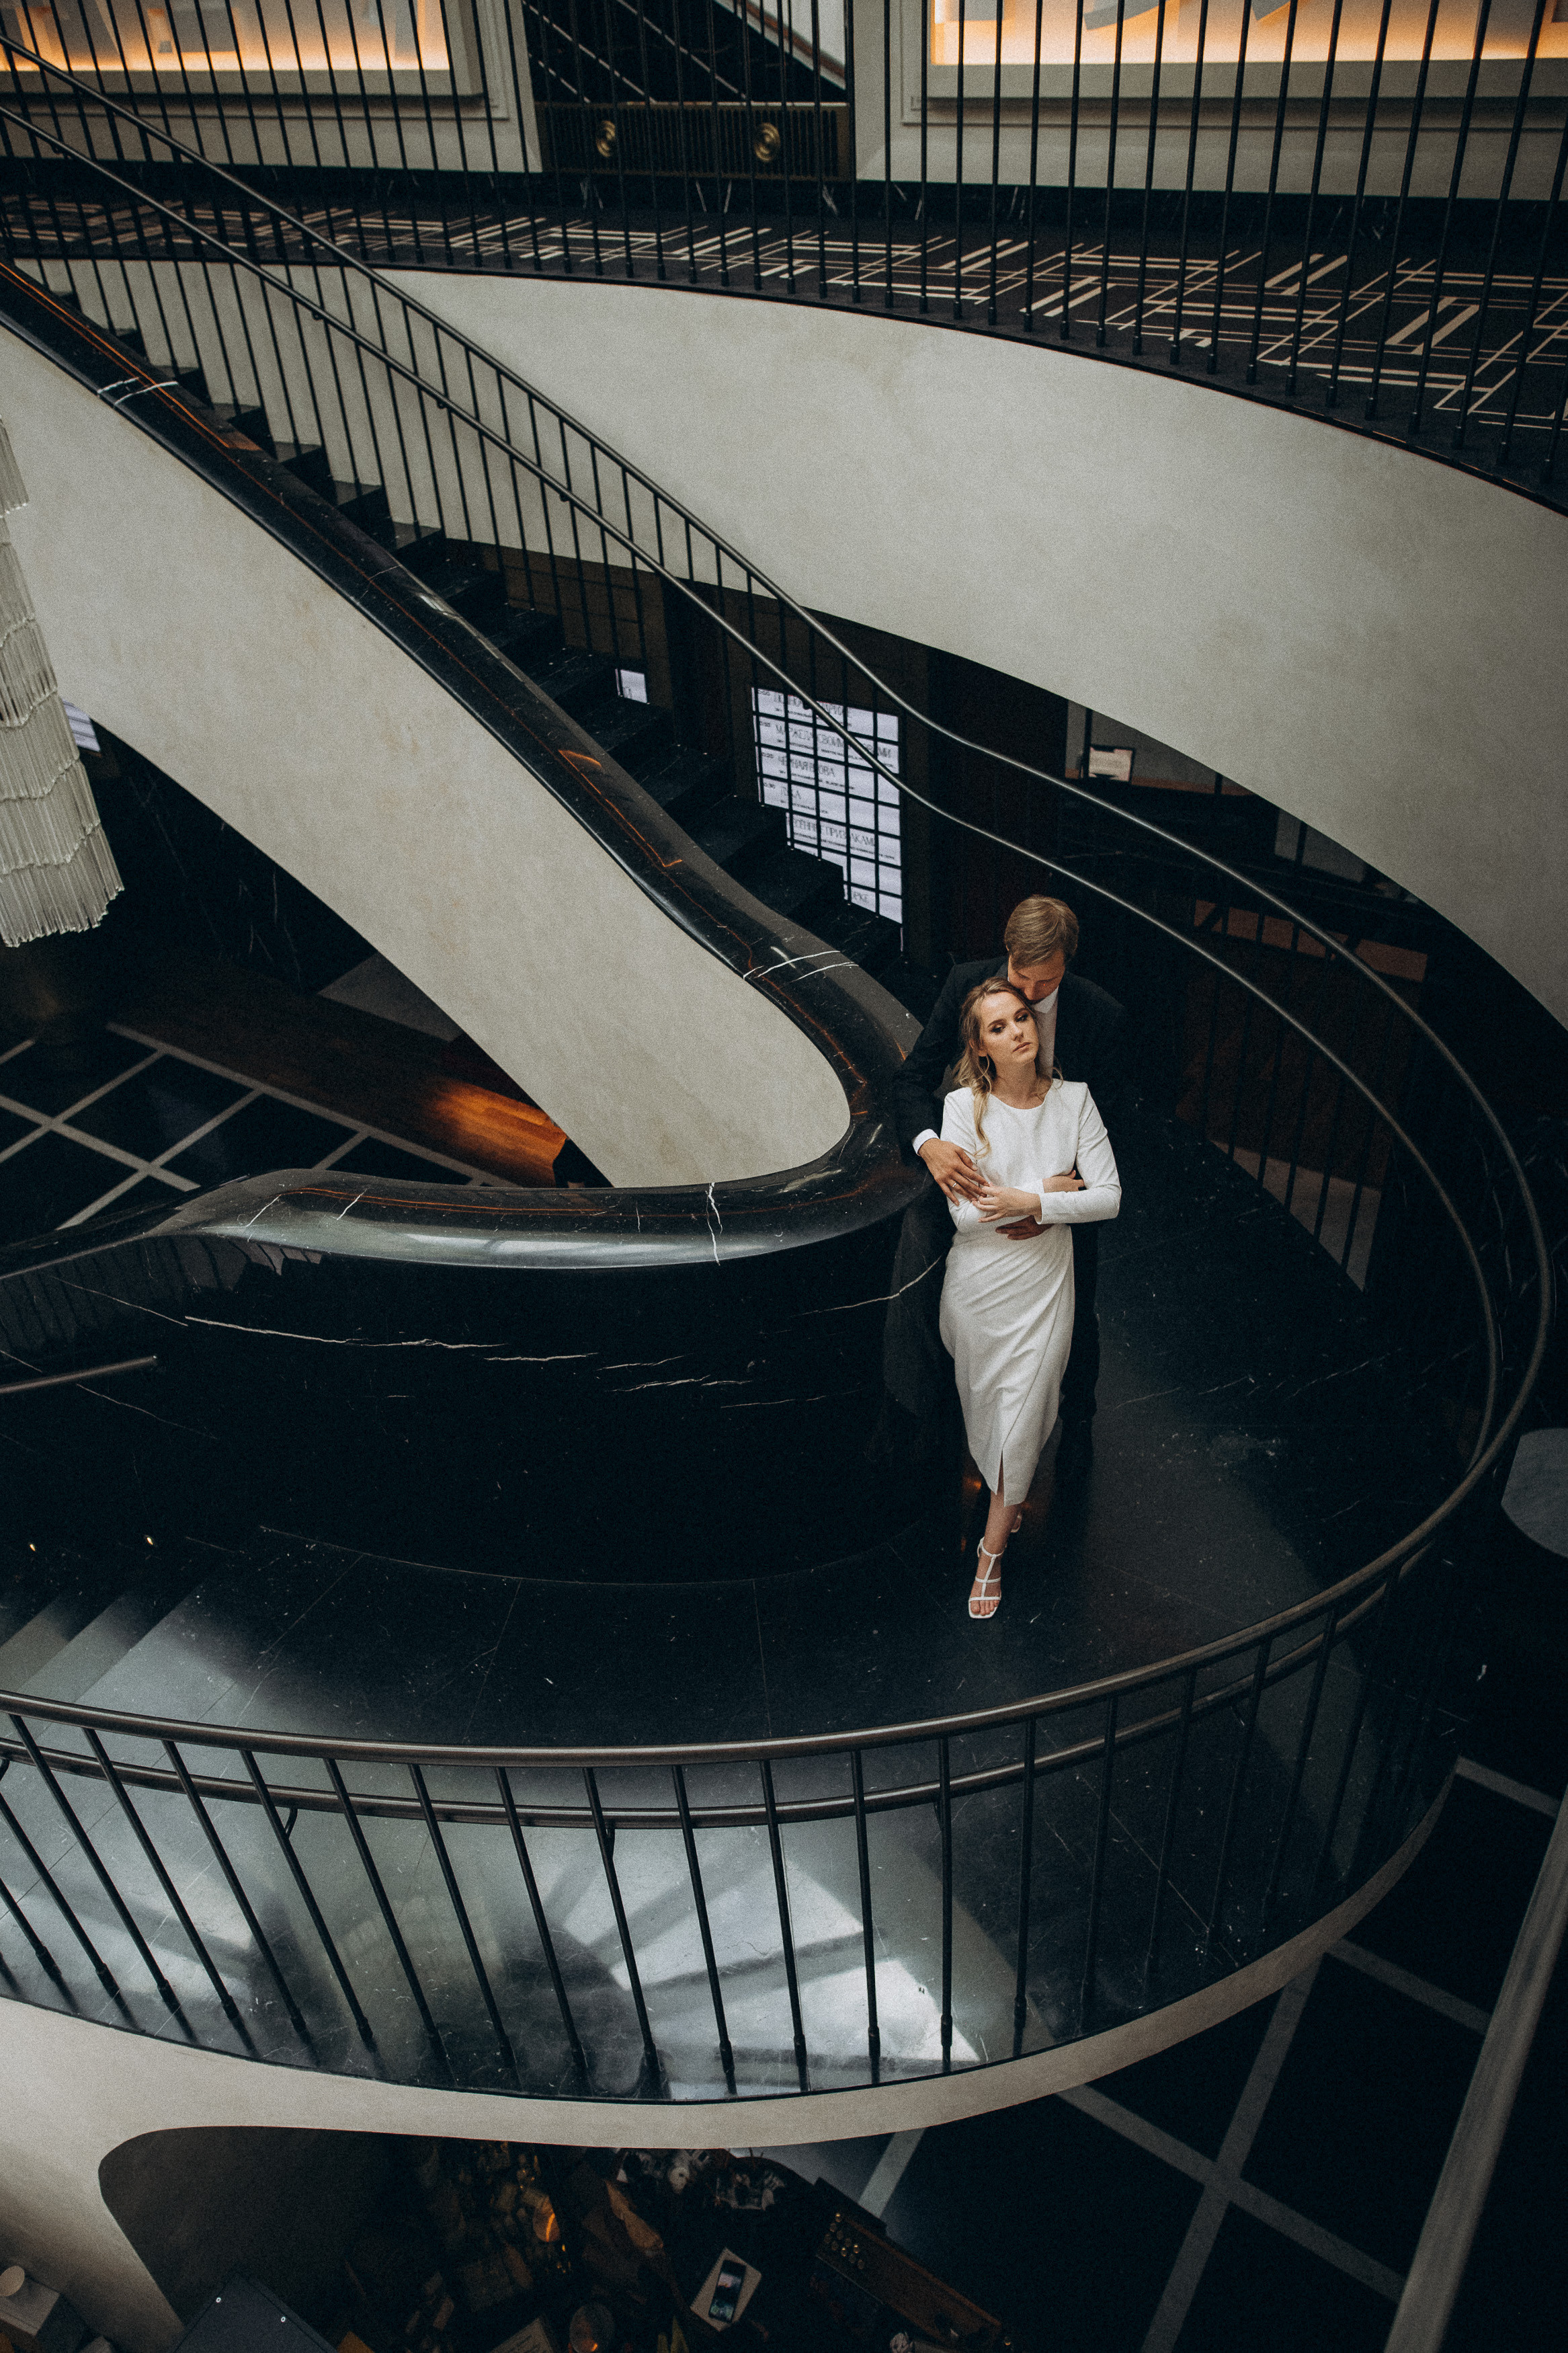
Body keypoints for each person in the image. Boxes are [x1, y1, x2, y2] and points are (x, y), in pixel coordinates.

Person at [884, 895, 1127, 1488]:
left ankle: (1078, 1419)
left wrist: (1050, 1206)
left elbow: (1111, 1128)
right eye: (1020, 975)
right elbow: (914, 1076)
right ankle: (918, 1411)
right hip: (979, 1165)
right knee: (920, 1247)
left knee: (1081, 1288)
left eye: (1045, 982)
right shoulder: (971, 982)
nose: (1029, 993)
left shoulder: (1100, 1015)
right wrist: (928, 1144)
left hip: (1056, 1179)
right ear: (1007, 953)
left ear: (1068, 962)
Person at [940, 979, 1121, 1618]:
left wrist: (1031, 1204)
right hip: (978, 1290)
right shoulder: (964, 1108)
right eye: (998, 1026)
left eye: (1022, 1017)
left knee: (1026, 1410)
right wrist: (1044, 1190)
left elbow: (1108, 1197)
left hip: (1045, 1284)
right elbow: (963, 1217)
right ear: (979, 1046)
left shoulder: (1074, 1101)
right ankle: (1007, 1495)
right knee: (991, 1410)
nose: (1017, 1030)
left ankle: (989, 1553)